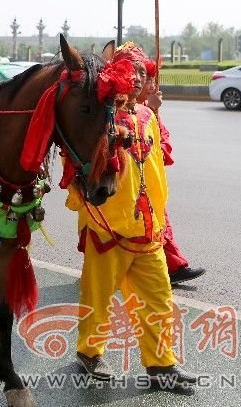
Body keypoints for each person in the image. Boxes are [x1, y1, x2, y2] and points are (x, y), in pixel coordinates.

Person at [66, 42, 197, 388]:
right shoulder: (103, 117)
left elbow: (158, 166)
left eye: (143, 72)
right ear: (117, 75)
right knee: (98, 297)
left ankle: (161, 365)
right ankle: (89, 353)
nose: (138, 77)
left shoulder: (148, 117)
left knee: (158, 297)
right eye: (131, 70)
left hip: (148, 229)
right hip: (107, 227)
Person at [137, 62, 205, 285]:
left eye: (150, 79)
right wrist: (151, 111)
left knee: (159, 223)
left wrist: (153, 111)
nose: (150, 85)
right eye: (145, 79)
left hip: (149, 179)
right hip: (130, 181)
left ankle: (172, 267)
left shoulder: (147, 107)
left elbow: (161, 142)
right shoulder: (124, 107)